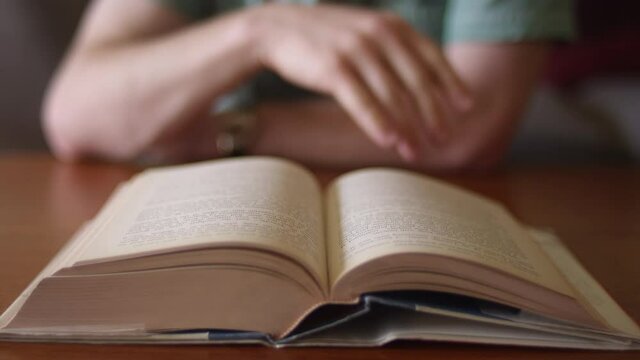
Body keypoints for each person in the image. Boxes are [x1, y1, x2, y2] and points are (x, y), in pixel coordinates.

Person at [43, 0, 575, 171]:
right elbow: (74, 113)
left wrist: (224, 133)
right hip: (219, 204)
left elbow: (469, 127)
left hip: (426, 210)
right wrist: (257, 33)